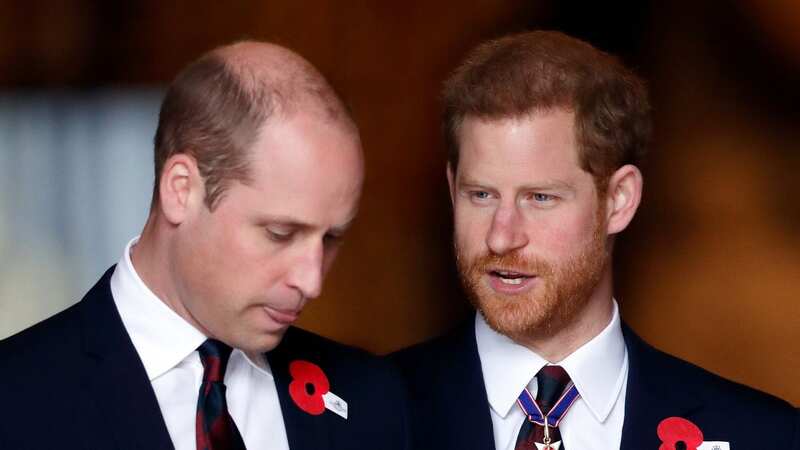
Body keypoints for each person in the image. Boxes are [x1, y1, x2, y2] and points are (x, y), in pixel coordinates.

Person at [393, 30, 799, 449]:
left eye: (540, 198)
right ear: (451, 188)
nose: (501, 236)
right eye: (481, 195)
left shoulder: (763, 436)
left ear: (619, 201)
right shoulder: (367, 414)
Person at [0, 41, 407, 450]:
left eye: (331, 238)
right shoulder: (15, 399)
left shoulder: (373, 400)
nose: (312, 280)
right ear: (182, 190)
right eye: (280, 233)